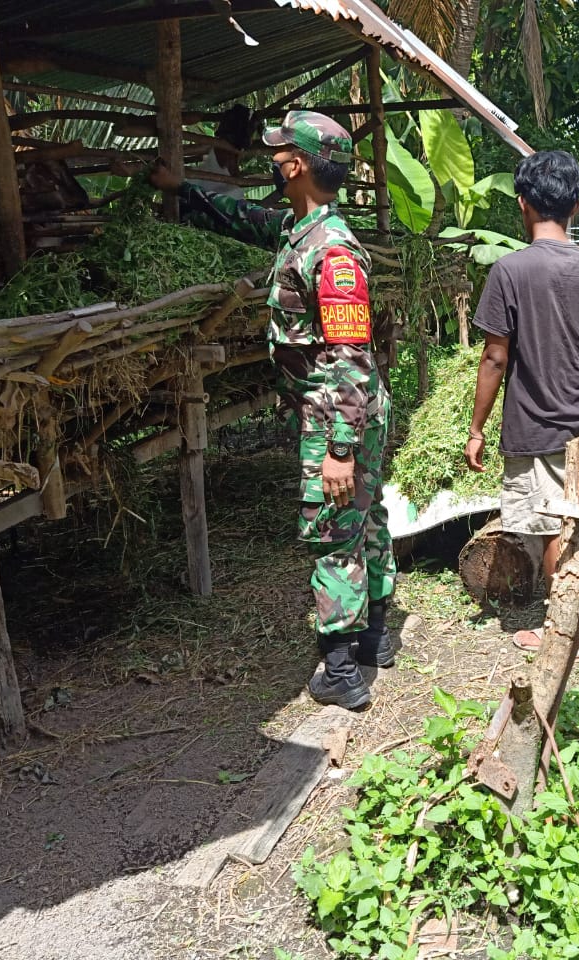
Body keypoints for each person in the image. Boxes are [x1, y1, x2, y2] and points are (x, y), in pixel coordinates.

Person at [150, 110, 394, 710]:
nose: (272, 161)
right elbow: (250, 219)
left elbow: (348, 356)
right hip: (347, 407)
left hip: (338, 407)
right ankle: (375, 638)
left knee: (336, 527)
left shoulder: (334, 255)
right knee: (365, 516)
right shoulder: (302, 229)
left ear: (299, 165)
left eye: (280, 153)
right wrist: (184, 192)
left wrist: (337, 448)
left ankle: (340, 671)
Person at [464, 150, 579, 652]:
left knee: (549, 525)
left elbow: (495, 358)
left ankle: (564, 631)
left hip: (536, 424)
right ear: (576, 203)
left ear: (522, 205)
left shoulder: (509, 272)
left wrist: (476, 428)